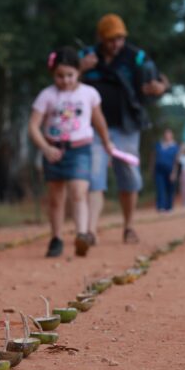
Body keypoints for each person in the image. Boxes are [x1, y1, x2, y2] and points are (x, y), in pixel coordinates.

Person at [79, 14, 169, 244]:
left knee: (128, 176)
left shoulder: (136, 57)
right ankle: (91, 230)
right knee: (94, 177)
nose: (115, 44)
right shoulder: (87, 56)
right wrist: (80, 69)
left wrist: (160, 87)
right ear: (101, 38)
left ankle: (129, 227)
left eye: (119, 38)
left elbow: (161, 80)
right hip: (95, 128)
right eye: (111, 39)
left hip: (127, 126)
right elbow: (67, 79)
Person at [29, 47, 113, 257]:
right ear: (53, 74)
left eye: (70, 75)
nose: (65, 80)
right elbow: (33, 126)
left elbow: (99, 120)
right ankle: (56, 238)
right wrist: (46, 148)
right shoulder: (46, 96)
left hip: (80, 149)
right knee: (56, 198)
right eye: (60, 76)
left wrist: (107, 142)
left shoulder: (89, 94)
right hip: (54, 151)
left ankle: (82, 234)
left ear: (78, 72)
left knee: (78, 192)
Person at [153, 128, 179, 212]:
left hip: (170, 170)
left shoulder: (175, 146)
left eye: (169, 134)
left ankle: (169, 206)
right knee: (160, 188)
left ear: (172, 135)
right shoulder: (159, 145)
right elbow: (153, 157)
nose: (167, 136)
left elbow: (176, 160)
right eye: (166, 134)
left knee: (170, 189)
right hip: (159, 170)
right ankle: (160, 206)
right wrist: (152, 168)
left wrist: (174, 172)